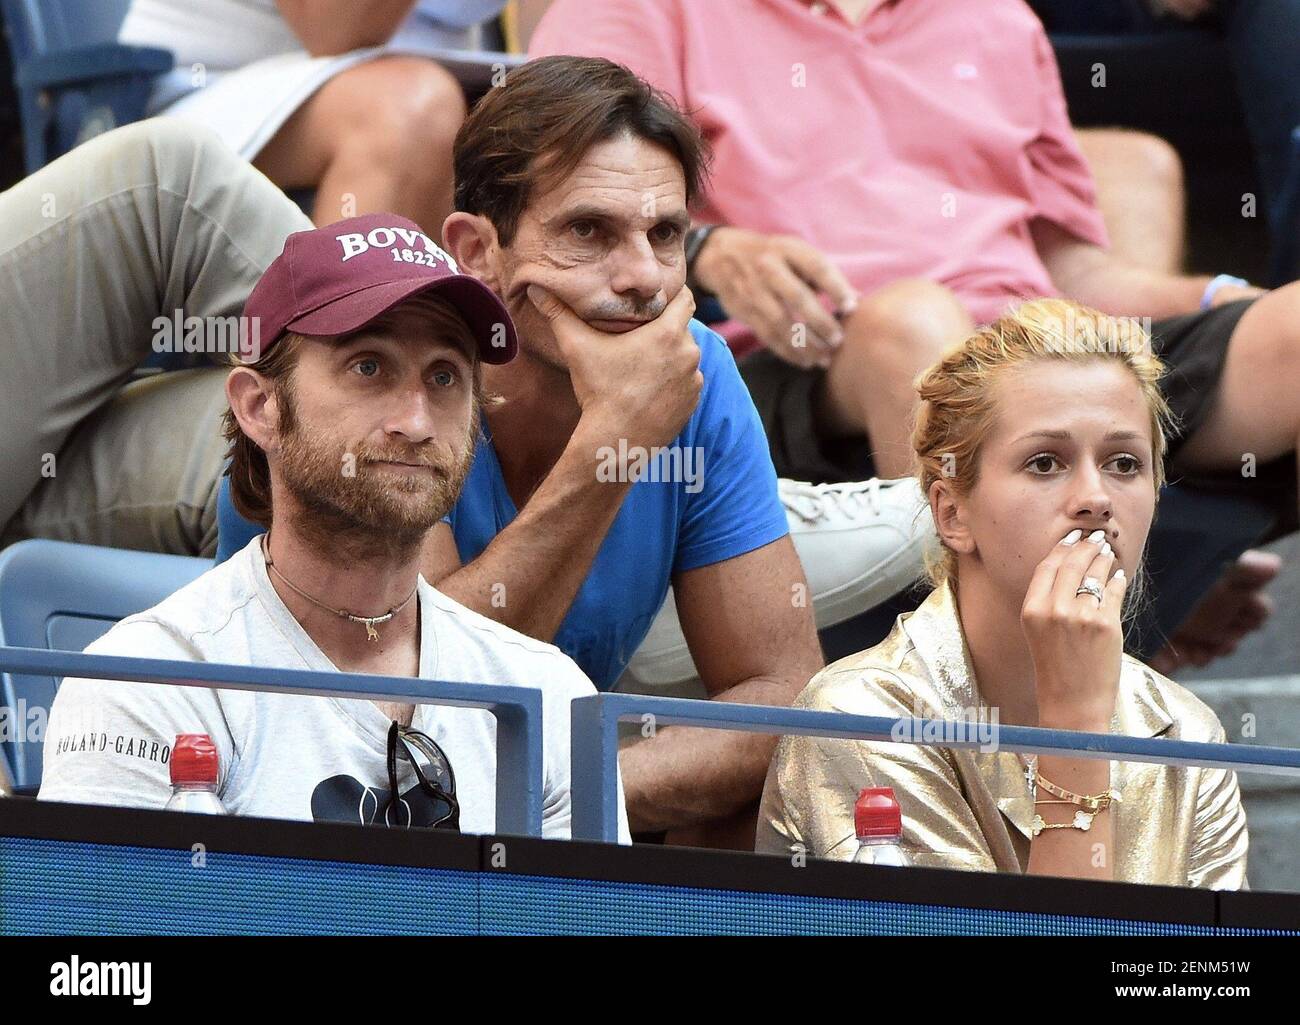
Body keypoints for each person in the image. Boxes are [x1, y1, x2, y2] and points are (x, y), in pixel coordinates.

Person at [529, 0, 1297, 672]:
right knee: (919, 325)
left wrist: (1239, 300)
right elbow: (551, 197)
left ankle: (1134, 603)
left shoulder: (997, 15)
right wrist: (708, 250)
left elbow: (1075, 272)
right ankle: (986, 714)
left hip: (1025, 337)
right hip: (792, 356)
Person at [216, 56, 836, 848]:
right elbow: (423, 711)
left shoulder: (694, 372)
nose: (643, 277)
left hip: (526, 817)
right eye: (588, 231)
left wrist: (578, 799)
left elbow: (785, 695)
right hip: (322, 828)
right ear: (477, 250)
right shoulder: (393, 394)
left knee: (769, 799)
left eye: (666, 235)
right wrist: (614, 439)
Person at [39, 211, 631, 841]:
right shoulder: (147, 683)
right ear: (260, 407)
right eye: (368, 367)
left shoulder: (550, 694)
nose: (416, 422)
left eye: (444, 376)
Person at [756, 299, 1248, 888]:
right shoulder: (860, 717)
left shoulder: (1189, 731)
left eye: (1123, 462)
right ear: (952, 512)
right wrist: (1075, 723)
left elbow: (1209, 978)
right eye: (1045, 463)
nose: (1096, 498)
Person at [120, 0, 508, 230]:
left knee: (549, 126)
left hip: (440, 77)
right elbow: (333, 30)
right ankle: (344, 360)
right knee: (409, 116)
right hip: (199, 90)